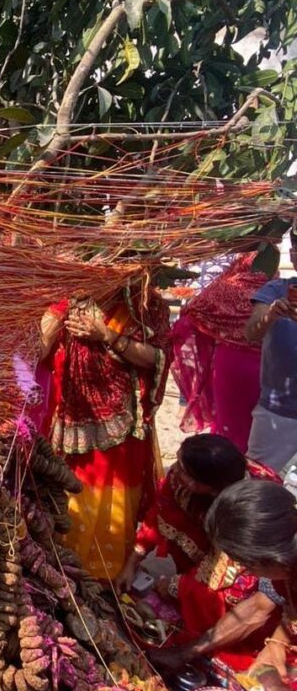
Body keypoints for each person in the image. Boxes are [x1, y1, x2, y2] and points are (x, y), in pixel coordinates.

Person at [40, 282, 171, 582]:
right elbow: (39, 349)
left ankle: (105, 575)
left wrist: (107, 336)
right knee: (69, 492)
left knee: (113, 499)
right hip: (73, 419)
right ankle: (62, 570)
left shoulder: (147, 305)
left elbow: (159, 358)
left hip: (123, 425)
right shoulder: (69, 298)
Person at [116, 434, 280, 669]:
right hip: (216, 535)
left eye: (183, 470)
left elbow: (220, 572)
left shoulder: (248, 518)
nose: (174, 470)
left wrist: (176, 585)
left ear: (209, 488)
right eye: (178, 461)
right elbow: (159, 512)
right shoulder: (183, 478)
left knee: (210, 599)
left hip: (241, 559)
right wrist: (133, 561)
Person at [171, 253, 270, 451]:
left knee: (230, 424)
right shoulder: (277, 291)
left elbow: (190, 318)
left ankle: (227, 461)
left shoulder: (227, 288)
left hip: (231, 364)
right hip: (270, 366)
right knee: (258, 428)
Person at [205, 479, 297, 683]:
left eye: (247, 564)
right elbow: (260, 606)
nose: (246, 571)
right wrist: (278, 641)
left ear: (277, 560)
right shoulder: (287, 555)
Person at [244, 233, 297, 473]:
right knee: (260, 478)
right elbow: (251, 333)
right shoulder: (276, 290)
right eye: (295, 249)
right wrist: (271, 315)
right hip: (277, 410)